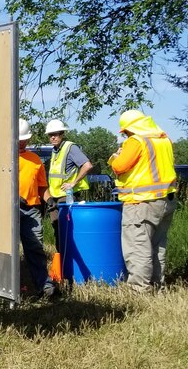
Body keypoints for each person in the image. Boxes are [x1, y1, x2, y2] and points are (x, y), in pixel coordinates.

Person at [109, 109, 178, 292]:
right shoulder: (164, 139)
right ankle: (157, 284)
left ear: (130, 128)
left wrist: (115, 157)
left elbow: (120, 166)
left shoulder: (136, 141)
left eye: (125, 132)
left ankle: (140, 289)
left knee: (137, 246)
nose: (126, 135)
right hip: (166, 199)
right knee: (158, 246)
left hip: (141, 202)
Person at [44, 118, 93, 253]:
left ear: (62, 134)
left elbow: (87, 165)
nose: (53, 137)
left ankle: (68, 267)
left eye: (56, 133)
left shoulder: (70, 148)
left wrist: (73, 183)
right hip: (54, 198)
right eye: (50, 134)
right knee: (58, 232)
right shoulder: (55, 150)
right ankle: (61, 266)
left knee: (66, 233)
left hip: (66, 198)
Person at [18, 118, 54, 297]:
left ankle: (45, 286)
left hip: (31, 211)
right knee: (6, 252)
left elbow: (41, 187)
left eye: (24, 139)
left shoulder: (35, 159)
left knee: (35, 249)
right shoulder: (1, 157)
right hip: (9, 211)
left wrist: (50, 201)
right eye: (18, 139)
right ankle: (11, 288)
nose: (22, 142)